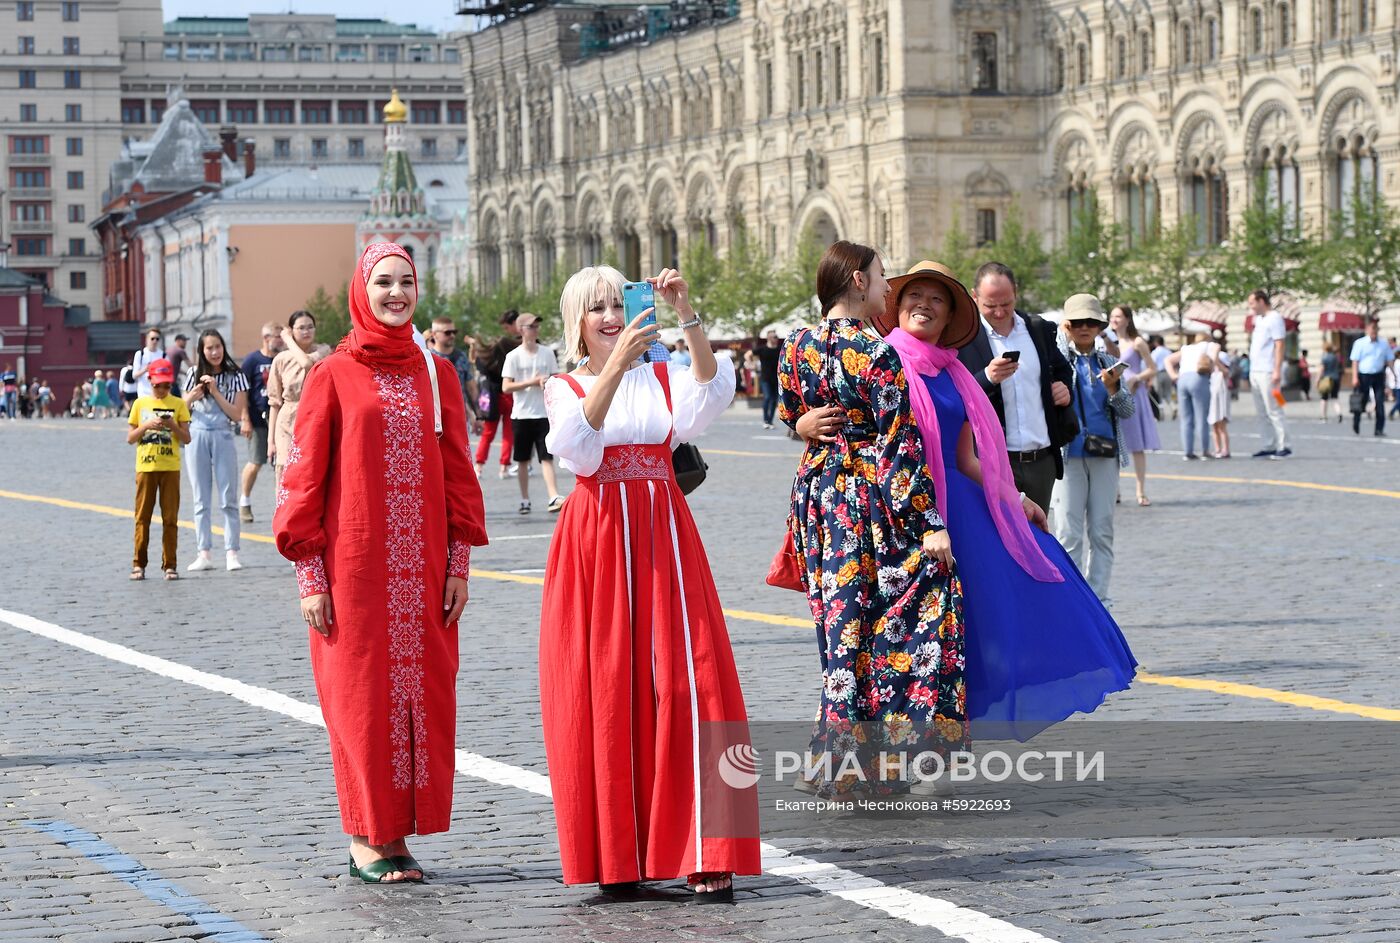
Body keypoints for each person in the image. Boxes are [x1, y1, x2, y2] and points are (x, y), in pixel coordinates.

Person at [800, 262, 1136, 741]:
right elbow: (835, 421)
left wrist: (1015, 498)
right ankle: (869, 745)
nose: (925, 304)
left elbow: (967, 458)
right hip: (895, 513)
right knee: (890, 634)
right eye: (916, 294)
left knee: (971, 626)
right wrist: (802, 426)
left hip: (956, 508)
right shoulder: (879, 356)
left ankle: (938, 740)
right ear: (896, 306)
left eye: (938, 300)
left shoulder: (953, 371)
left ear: (951, 316)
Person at [538, 263, 757, 899]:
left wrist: (686, 315)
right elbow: (578, 447)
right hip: (598, 541)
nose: (613, 316)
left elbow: (710, 399)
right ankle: (619, 854)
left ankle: (708, 846)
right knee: (608, 690)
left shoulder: (663, 374)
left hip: (665, 533)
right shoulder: (562, 384)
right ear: (578, 321)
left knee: (697, 680)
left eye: (619, 303)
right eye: (598, 308)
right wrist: (611, 368)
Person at [274, 242, 487, 885]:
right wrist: (311, 575)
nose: (396, 294)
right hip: (355, 569)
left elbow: (458, 475)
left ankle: (396, 833)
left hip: (422, 574)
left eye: (407, 283)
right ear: (361, 291)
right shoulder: (333, 374)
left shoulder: (436, 373)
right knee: (360, 700)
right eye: (384, 283)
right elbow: (303, 478)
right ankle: (366, 836)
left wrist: (458, 565)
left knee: (423, 699)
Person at [779, 242, 968, 797]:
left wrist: (803, 426)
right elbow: (897, 446)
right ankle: (881, 761)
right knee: (902, 622)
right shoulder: (878, 352)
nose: (888, 290)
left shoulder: (796, 343)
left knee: (839, 632)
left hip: (816, 499)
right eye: (884, 278)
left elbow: (793, 414)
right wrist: (930, 522)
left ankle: (843, 763)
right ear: (859, 281)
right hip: (866, 500)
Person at [957, 262, 1075, 512]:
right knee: (999, 542)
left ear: (1016, 293)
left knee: (1038, 539)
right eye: (990, 305)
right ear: (974, 296)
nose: (999, 312)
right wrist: (987, 377)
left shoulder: (1038, 329)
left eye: (1006, 304)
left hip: (1041, 460)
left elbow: (1063, 370)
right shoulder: (963, 338)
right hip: (993, 463)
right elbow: (956, 394)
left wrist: (1064, 389)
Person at [1052, 296, 1136, 608]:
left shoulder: (1107, 363)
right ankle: (1073, 597)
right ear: (1067, 326)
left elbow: (1128, 411)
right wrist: (1061, 337)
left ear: (1101, 327)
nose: (1085, 328)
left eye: (1092, 323)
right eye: (1077, 323)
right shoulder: (1058, 361)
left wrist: (1114, 388)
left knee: (1102, 529)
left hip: (1105, 454)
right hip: (1068, 455)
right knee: (1068, 532)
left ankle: (1098, 596)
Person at [183, 329, 249, 573]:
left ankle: (232, 552)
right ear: (201, 351)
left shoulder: (236, 376)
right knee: (200, 497)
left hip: (223, 434)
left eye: (218, 347)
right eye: (209, 348)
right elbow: (181, 407)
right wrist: (193, 395)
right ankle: (204, 553)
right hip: (197, 434)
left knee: (228, 496)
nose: (214, 352)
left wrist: (216, 392)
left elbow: (236, 414)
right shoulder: (193, 374)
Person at [127, 358, 191, 581]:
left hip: (170, 467)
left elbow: (186, 438)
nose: (162, 390)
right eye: (158, 385)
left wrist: (171, 424)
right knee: (142, 517)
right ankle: (139, 564)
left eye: (166, 385)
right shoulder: (140, 404)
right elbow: (130, 438)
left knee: (170, 518)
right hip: (145, 467)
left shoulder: (179, 404)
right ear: (150, 381)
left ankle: (170, 565)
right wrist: (146, 425)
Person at [501, 313, 563, 514]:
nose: (535, 329)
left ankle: (553, 496)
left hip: (543, 413)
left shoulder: (547, 353)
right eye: (531, 326)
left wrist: (549, 382)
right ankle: (524, 498)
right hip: (521, 415)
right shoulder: (513, 356)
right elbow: (506, 387)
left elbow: (556, 377)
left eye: (537, 326)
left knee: (547, 457)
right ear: (521, 330)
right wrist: (531, 382)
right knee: (522, 459)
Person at [266, 310, 333, 490]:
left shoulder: (323, 351)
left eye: (310, 327)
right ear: (292, 329)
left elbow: (306, 364)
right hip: (288, 419)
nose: (306, 331)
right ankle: (284, 515)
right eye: (301, 328)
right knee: (286, 469)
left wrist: (287, 340)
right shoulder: (280, 359)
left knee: (312, 470)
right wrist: (270, 440)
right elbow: (274, 402)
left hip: (315, 416)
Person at [1108, 306, 1160, 505]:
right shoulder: (1108, 343)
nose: (1114, 320)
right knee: (1114, 445)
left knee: (1137, 445)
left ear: (1128, 320)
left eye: (1118, 316)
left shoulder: (1137, 342)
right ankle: (1116, 490)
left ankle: (1140, 491)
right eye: (1112, 316)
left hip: (1134, 395)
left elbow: (1152, 368)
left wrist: (1136, 377)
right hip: (1114, 394)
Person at [239, 322, 284, 523]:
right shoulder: (252, 360)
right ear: (266, 338)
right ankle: (245, 501)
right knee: (256, 461)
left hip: (280, 419)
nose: (281, 341)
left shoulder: (283, 359)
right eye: (278, 337)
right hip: (257, 419)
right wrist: (245, 419)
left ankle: (282, 506)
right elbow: (242, 392)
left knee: (282, 464)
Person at [475, 310, 522, 478]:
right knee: (508, 434)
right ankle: (504, 467)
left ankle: (479, 466)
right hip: (508, 396)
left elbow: (479, 369)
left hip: (492, 397)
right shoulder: (509, 355)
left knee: (488, 434)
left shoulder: (485, 358)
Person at [1247, 290, 1291, 458]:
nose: (1250, 307)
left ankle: (1283, 444)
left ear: (1261, 301)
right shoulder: (1259, 320)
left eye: (1252, 303)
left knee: (1274, 408)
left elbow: (1279, 344)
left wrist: (1277, 370)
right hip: (1255, 370)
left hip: (1268, 370)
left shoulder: (1275, 318)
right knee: (1261, 412)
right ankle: (1268, 444)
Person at [1164, 332, 1218, 461]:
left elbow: (1168, 360)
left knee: (1186, 418)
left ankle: (1188, 452)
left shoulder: (1186, 348)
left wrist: (1173, 375)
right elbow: (1214, 362)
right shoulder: (1212, 345)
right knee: (1201, 417)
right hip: (1199, 378)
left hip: (1182, 379)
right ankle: (1205, 450)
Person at [428, 315, 483, 436]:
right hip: (434, 419)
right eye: (447, 332)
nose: (452, 335)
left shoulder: (461, 357)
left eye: (454, 332)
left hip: (460, 416)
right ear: (434, 334)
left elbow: (471, 387)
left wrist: (479, 416)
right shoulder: (427, 359)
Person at [1350, 317, 1394, 437]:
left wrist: (1394, 374)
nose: (1373, 333)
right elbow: (1355, 361)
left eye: (1375, 331)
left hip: (1378, 375)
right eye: (1371, 330)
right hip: (1364, 375)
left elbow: (1389, 360)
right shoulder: (1360, 343)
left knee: (1380, 402)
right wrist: (1354, 377)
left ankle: (1379, 429)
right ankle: (1356, 420)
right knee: (1362, 400)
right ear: (1367, 330)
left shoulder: (1383, 344)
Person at [753, 330, 782, 429]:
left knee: (774, 400)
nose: (776, 339)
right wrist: (751, 364)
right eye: (774, 337)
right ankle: (765, 419)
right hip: (765, 378)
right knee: (767, 397)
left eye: (776, 337)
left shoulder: (779, 349)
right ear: (769, 338)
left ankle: (770, 421)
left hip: (776, 378)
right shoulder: (762, 349)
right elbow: (748, 354)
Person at [1208, 346, 1233, 458]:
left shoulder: (1224, 372)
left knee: (1222, 426)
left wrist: (1216, 359)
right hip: (1212, 401)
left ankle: (1225, 449)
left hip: (1221, 402)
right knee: (1214, 426)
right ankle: (1217, 448)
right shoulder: (1212, 373)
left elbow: (1224, 370)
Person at [131, 329, 165, 400]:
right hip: (143, 393)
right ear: (147, 339)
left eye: (157, 339)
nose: (155, 341)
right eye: (152, 338)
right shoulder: (140, 354)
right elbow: (134, 375)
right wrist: (145, 369)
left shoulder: (163, 355)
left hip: (159, 393)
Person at [1149, 336, 1176, 419]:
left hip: (1158, 374)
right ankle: (1173, 406)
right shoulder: (1168, 351)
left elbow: (1152, 365)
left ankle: (1161, 413)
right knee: (1168, 393)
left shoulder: (1155, 353)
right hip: (1168, 373)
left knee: (1159, 394)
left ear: (1156, 343)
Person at [1318, 344, 1343, 422]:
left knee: (1324, 398)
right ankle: (1339, 413)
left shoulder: (1324, 358)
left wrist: (1317, 380)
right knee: (1335, 397)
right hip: (1336, 379)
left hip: (1326, 380)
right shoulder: (1335, 357)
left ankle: (1323, 416)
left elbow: (1321, 369)